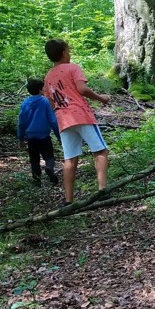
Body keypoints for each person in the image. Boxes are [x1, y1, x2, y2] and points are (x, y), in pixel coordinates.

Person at [43, 39, 110, 204]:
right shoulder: (73, 68)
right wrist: (101, 98)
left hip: (64, 120)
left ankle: (68, 200)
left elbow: (50, 103)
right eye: (68, 50)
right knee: (100, 152)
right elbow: (82, 89)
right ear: (64, 53)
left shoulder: (48, 76)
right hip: (81, 115)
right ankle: (102, 190)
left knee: (70, 159)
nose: (70, 53)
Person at [17, 78, 60, 187]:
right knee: (49, 156)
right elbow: (53, 120)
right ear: (40, 90)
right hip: (44, 135)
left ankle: (36, 179)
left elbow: (21, 121)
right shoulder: (45, 101)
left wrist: (21, 138)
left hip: (31, 137)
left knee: (34, 158)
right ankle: (49, 168)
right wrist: (59, 136)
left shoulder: (25, 103)